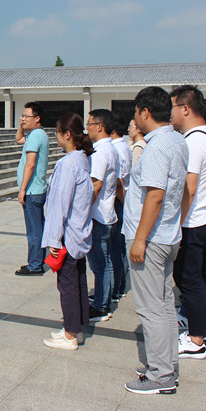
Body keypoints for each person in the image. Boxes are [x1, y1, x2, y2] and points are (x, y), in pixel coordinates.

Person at [122, 86, 187, 395]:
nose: (135, 117)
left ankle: (160, 375)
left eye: (136, 112)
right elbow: (183, 191)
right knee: (163, 304)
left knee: (150, 308)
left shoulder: (157, 147)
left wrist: (140, 239)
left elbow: (155, 196)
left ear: (145, 112)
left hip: (150, 239)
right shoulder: (177, 140)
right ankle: (167, 364)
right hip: (167, 235)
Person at [170, 85, 206, 361]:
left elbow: (188, 189)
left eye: (172, 107)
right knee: (196, 280)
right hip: (204, 218)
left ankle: (196, 340)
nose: (170, 114)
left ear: (185, 108)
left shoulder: (193, 142)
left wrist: (176, 225)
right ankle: (197, 328)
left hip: (191, 222)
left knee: (189, 281)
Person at [41, 113, 94, 350]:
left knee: (68, 284)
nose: (56, 136)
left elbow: (60, 204)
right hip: (78, 231)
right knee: (78, 281)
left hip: (68, 234)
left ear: (67, 134)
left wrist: (54, 238)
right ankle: (76, 328)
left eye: (58, 132)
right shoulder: (81, 159)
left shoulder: (69, 163)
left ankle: (70, 334)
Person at [85, 109, 119, 322]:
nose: (86, 128)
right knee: (105, 261)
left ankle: (101, 306)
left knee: (100, 264)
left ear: (99, 126)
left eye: (89, 124)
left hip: (98, 215)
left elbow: (95, 185)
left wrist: (83, 210)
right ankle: (104, 297)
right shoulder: (111, 148)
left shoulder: (100, 152)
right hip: (107, 213)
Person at [15, 102, 50, 276]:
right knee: (38, 227)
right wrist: (21, 126)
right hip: (37, 190)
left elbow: (30, 164)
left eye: (26, 116)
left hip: (31, 190)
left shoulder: (35, 136)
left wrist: (22, 189)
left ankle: (35, 265)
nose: (23, 119)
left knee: (34, 230)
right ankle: (36, 260)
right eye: (22, 116)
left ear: (37, 118)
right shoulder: (37, 134)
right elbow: (18, 139)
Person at [109, 112, 133, 304]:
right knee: (119, 247)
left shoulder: (116, 149)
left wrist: (123, 204)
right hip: (121, 200)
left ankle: (116, 288)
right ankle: (121, 285)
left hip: (118, 200)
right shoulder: (124, 146)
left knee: (114, 248)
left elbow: (118, 183)